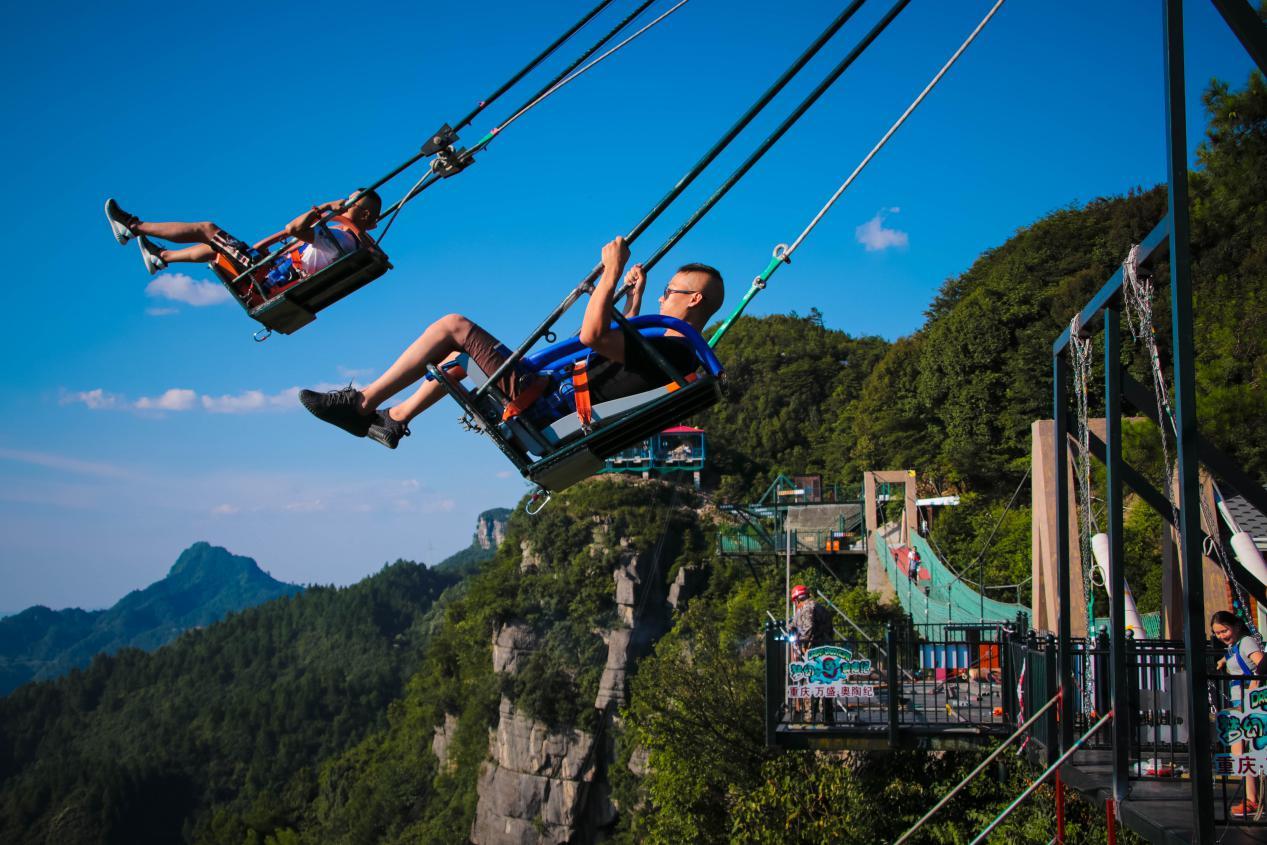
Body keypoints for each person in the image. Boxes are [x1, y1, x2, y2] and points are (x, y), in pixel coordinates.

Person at [296, 236, 724, 450]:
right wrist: (635, 296)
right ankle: (394, 418)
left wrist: (611, 270)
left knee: (453, 327)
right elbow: (618, 353)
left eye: (670, 291)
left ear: (694, 299)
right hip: (554, 396)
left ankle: (362, 403)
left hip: (547, 401)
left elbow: (594, 336)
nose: (664, 296)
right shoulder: (673, 357)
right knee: (459, 355)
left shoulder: (674, 350)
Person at [103, 191, 383, 305]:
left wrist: (325, 208)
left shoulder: (343, 239)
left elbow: (293, 229)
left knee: (207, 229)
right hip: (270, 274)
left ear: (365, 215)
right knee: (216, 249)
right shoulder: (349, 243)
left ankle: (131, 226)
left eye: (350, 202)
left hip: (264, 277)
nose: (343, 204)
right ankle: (161, 257)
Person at [1213, 609, 1265, 817]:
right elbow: (1233, 656)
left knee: (1246, 749)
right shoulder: (1234, 646)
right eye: (1217, 633)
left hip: (1250, 701)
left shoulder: (1246, 642)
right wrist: (1222, 662)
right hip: (1239, 701)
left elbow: (1261, 662)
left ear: (1235, 626)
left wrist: (1253, 686)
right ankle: (1251, 798)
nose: (1222, 636)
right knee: (1241, 750)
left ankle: (1253, 799)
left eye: (1224, 630)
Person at [789, 583, 834, 723]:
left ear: (797, 600)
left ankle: (810, 718)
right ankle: (828, 717)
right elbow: (829, 630)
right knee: (825, 683)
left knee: (810, 684)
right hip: (826, 650)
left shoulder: (808, 608)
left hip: (814, 651)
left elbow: (808, 628)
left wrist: (804, 644)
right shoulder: (820, 607)